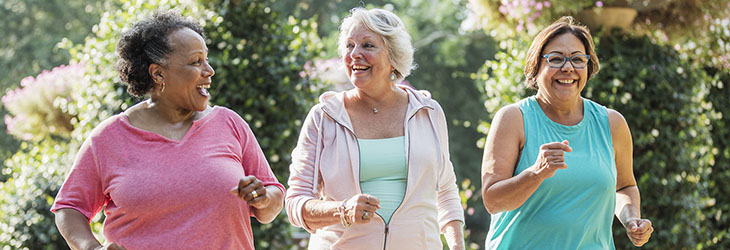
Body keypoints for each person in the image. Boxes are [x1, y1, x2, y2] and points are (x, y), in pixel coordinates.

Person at [51, 10, 285, 249]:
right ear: (158, 73)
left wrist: (264, 199)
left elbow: (272, 201)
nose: (209, 70)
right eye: (196, 62)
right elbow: (70, 208)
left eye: (206, 59)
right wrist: (92, 248)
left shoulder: (229, 124)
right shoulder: (109, 138)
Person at [285, 7, 465, 250]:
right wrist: (343, 210)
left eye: (367, 45)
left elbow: (445, 189)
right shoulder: (323, 117)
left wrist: (456, 246)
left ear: (394, 57)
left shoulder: (428, 112)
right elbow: (296, 203)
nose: (355, 54)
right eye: (349, 46)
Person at [481, 16, 653, 249]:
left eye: (577, 59)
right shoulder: (513, 119)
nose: (568, 67)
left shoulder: (612, 123)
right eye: (556, 59)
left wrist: (632, 218)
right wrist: (536, 173)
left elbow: (624, 187)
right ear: (536, 67)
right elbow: (493, 201)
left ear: (588, 67)